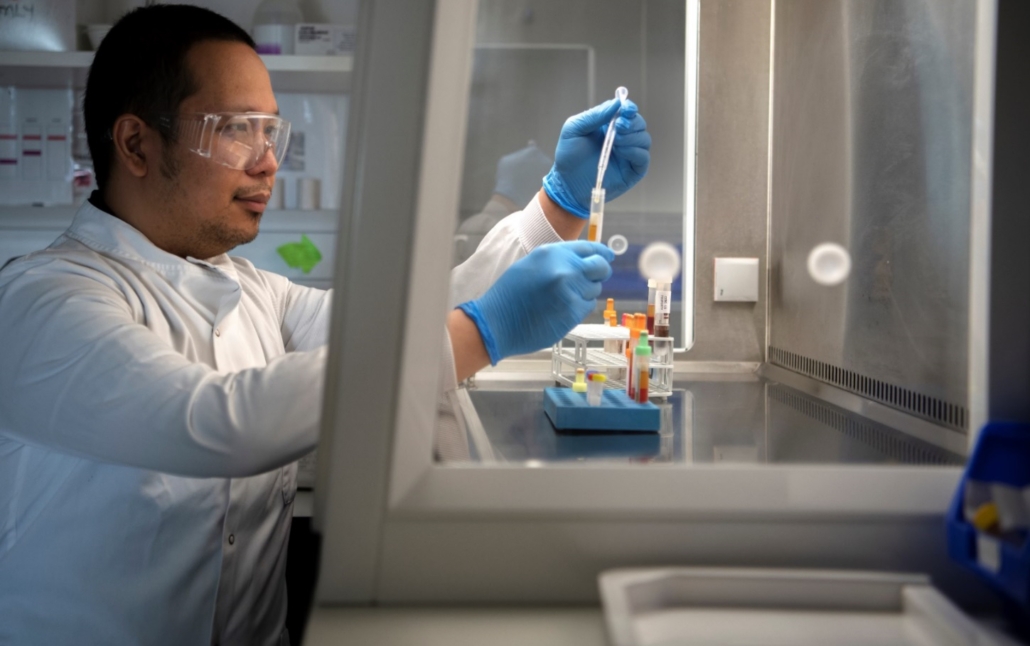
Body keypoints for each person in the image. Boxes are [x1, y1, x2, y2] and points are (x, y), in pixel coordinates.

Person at [0, 5, 650, 646]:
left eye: (272, 132)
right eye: (236, 129)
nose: (266, 162)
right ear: (138, 144)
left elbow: (409, 320)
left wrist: (555, 207)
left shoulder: (253, 292)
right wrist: (481, 332)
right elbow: (212, 424)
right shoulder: (40, 301)